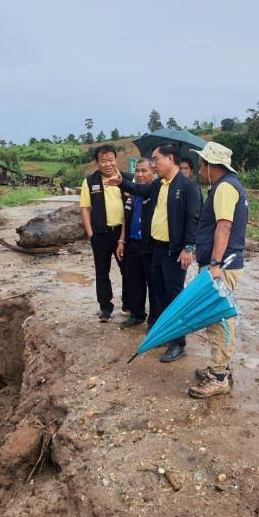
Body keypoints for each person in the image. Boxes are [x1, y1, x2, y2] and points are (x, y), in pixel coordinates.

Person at [106, 142, 202, 363]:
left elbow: (193, 219)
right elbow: (140, 190)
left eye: (157, 159)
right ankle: (163, 334)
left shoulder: (187, 187)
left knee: (174, 297)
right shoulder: (160, 184)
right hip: (157, 248)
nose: (154, 163)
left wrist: (188, 248)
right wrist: (121, 182)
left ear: (170, 159)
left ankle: (178, 343)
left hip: (174, 251)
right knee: (158, 294)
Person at [188, 142, 248, 399]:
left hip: (222, 266)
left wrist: (213, 265)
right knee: (219, 318)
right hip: (225, 264)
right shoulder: (230, 185)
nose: (200, 171)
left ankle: (219, 377)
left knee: (218, 320)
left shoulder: (224, 188)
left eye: (202, 166)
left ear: (213, 166)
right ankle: (218, 367)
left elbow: (223, 227)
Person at [80, 145, 130, 322]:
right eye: (103, 161)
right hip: (100, 234)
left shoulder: (126, 179)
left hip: (122, 234)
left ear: (115, 160)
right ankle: (105, 308)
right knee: (102, 272)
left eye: (111, 160)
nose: (108, 164)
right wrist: (91, 234)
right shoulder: (90, 181)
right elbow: (85, 209)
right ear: (97, 162)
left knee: (128, 270)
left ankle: (128, 303)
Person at [117, 158, 156, 329]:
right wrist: (122, 240)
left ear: (153, 172)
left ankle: (154, 321)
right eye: (137, 171)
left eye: (144, 171)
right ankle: (137, 314)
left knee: (153, 284)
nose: (139, 174)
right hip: (133, 243)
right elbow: (127, 218)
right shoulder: (134, 195)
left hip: (150, 245)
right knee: (134, 281)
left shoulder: (155, 191)